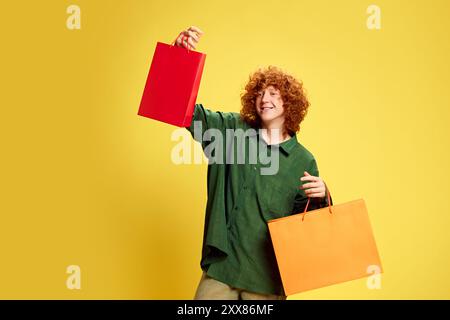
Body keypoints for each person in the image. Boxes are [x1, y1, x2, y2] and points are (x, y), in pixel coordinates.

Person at [174, 26, 333, 300]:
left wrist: (323, 196)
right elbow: (183, 111)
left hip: (267, 280)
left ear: (290, 103)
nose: (265, 98)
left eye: (274, 93)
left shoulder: (303, 160)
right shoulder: (231, 131)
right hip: (222, 269)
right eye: (260, 93)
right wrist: (179, 60)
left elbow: (309, 230)